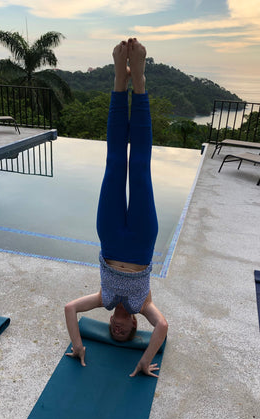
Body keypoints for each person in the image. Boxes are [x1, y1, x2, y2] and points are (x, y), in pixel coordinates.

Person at [64, 38, 168, 377]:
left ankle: (117, 82)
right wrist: (143, 360)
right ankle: (138, 80)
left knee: (113, 163)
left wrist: (78, 343)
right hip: (140, 240)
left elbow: (69, 309)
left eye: (112, 332)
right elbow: (163, 328)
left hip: (109, 237)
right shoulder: (145, 304)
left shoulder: (103, 299)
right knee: (138, 165)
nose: (116, 330)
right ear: (135, 323)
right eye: (123, 333)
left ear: (109, 320)